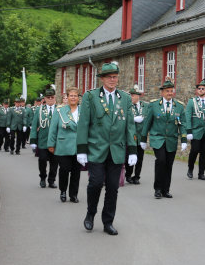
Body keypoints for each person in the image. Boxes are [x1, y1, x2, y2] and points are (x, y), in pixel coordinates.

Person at [76, 62, 137, 236]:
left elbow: (130, 125)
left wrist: (132, 150)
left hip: (117, 150)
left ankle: (108, 221)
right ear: (102, 79)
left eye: (115, 77)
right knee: (95, 183)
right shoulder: (90, 97)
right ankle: (90, 214)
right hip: (96, 148)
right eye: (109, 77)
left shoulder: (124, 98)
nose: (112, 80)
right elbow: (83, 124)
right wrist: (81, 149)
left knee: (112, 187)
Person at [141, 78, 187, 199]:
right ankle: (157, 189)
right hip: (158, 138)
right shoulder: (154, 105)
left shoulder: (179, 107)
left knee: (169, 164)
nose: (169, 93)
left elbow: (182, 124)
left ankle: (166, 190)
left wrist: (183, 140)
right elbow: (147, 123)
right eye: (167, 91)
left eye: (171, 91)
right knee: (161, 161)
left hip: (171, 139)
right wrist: (143, 139)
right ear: (162, 92)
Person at [47, 87, 82, 203]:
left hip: (78, 146)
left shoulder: (83, 111)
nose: (73, 98)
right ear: (67, 97)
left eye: (75, 96)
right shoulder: (59, 110)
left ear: (78, 98)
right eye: (71, 96)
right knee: (64, 170)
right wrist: (51, 144)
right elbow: (53, 129)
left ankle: (73, 194)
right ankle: (63, 191)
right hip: (63, 146)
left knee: (76, 172)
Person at [30, 86, 59, 188]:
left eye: (52, 97)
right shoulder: (39, 109)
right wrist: (33, 140)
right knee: (42, 160)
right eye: (48, 97)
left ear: (55, 97)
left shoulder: (59, 109)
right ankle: (42, 178)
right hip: (43, 140)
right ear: (45, 99)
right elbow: (34, 125)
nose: (50, 99)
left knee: (54, 162)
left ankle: (51, 180)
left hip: (56, 141)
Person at [185, 79, 205, 180]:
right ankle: (190, 169)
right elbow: (188, 116)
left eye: (202, 88)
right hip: (196, 131)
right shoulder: (192, 102)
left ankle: (201, 173)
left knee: (204, 153)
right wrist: (189, 131)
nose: (200, 90)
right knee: (194, 150)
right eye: (199, 88)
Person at [124, 85, 149, 185]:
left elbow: (148, 117)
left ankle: (137, 176)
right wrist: (133, 119)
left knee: (140, 157)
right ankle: (128, 175)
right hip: (130, 136)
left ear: (138, 96)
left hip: (141, 135)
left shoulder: (145, 106)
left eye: (133, 95)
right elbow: (123, 117)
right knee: (129, 156)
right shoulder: (126, 105)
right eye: (130, 95)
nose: (131, 97)